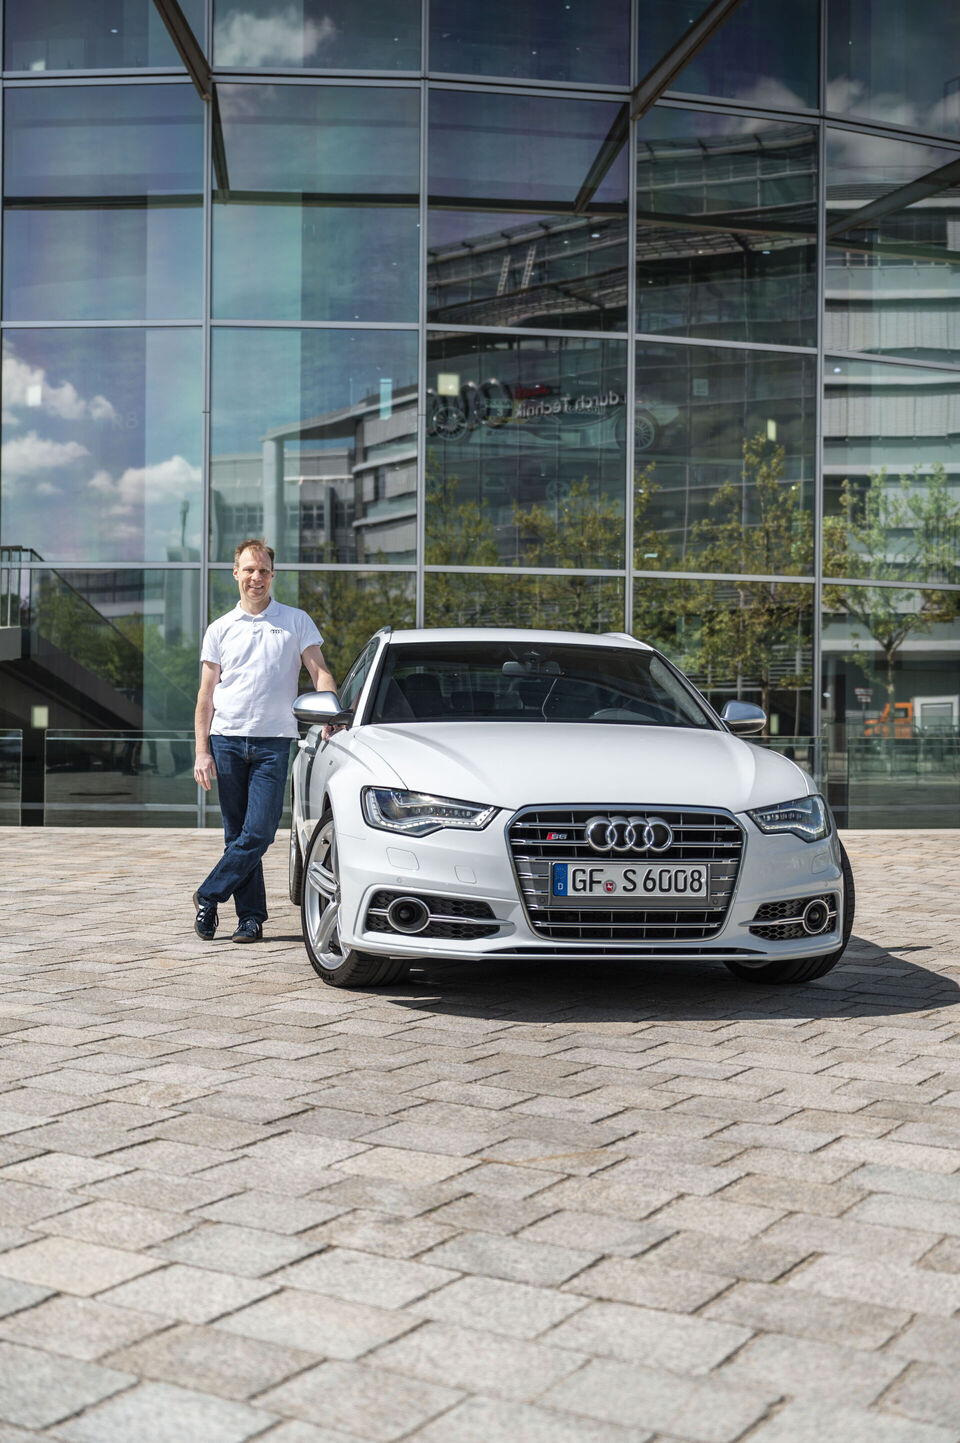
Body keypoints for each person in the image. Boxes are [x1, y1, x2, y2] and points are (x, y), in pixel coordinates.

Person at [192, 539, 338, 943]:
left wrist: (330, 711)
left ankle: (208, 894)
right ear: (236, 573)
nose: (256, 577)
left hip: (273, 742)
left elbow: (320, 673)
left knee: (259, 833)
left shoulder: (295, 621)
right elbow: (206, 695)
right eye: (249, 570)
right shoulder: (220, 628)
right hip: (226, 739)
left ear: (272, 576)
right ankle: (251, 919)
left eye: (263, 571)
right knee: (236, 835)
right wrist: (202, 751)